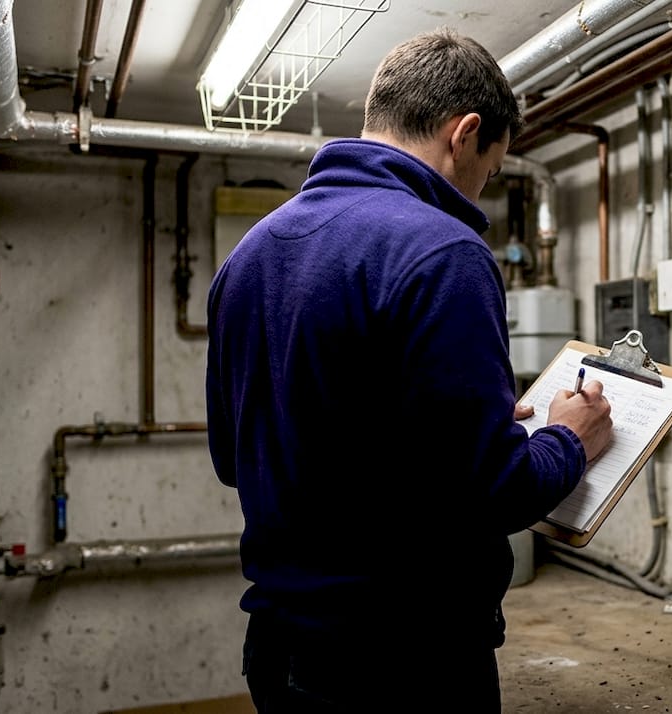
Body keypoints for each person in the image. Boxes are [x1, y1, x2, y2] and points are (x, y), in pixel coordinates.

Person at [205, 27, 614, 713]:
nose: (481, 191)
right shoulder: (442, 251)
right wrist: (569, 438)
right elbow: (496, 492)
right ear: (465, 134)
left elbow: (235, 457)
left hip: (280, 652)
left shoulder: (248, 255)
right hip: (405, 661)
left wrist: (454, 429)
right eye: (491, 171)